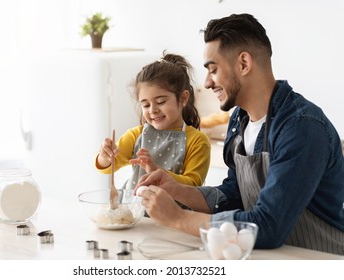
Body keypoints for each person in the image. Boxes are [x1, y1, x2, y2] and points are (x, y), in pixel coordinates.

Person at [136, 13, 344, 255]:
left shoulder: (301, 127)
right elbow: (234, 194)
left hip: (321, 260)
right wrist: (179, 191)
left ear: (244, 64)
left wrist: (178, 218)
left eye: (213, 70)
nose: (206, 83)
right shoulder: (239, 120)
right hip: (271, 258)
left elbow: (268, 227)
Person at [95, 52, 211, 190]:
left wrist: (157, 171)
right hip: (135, 209)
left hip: (174, 211)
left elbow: (193, 186)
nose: (152, 110)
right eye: (145, 105)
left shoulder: (197, 141)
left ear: (183, 98)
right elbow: (107, 167)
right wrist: (105, 155)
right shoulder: (135, 135)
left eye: (161, 102)